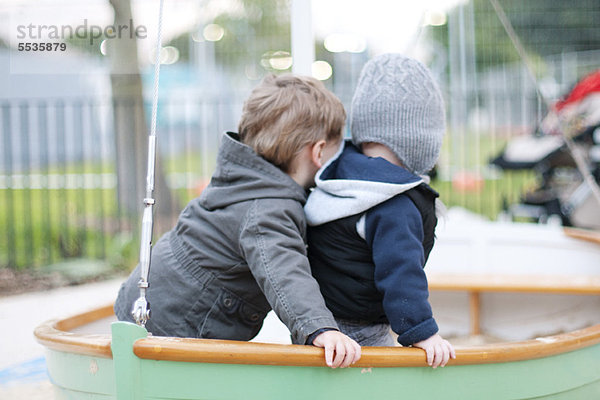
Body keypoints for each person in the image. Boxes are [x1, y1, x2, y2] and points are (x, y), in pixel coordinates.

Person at [114, 74, 361, 368]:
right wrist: (320, 328)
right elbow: (284, 272)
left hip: (150, 293)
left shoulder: (242, 179)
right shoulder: (268, 208)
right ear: (319, 152)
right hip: (179, 322)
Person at [304, 54, 456, 368]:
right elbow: (401, 273)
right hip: (359, 331)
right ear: (421, 139)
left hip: (318, 323)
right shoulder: (394, 201)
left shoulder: (339, 176)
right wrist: (421, 332)